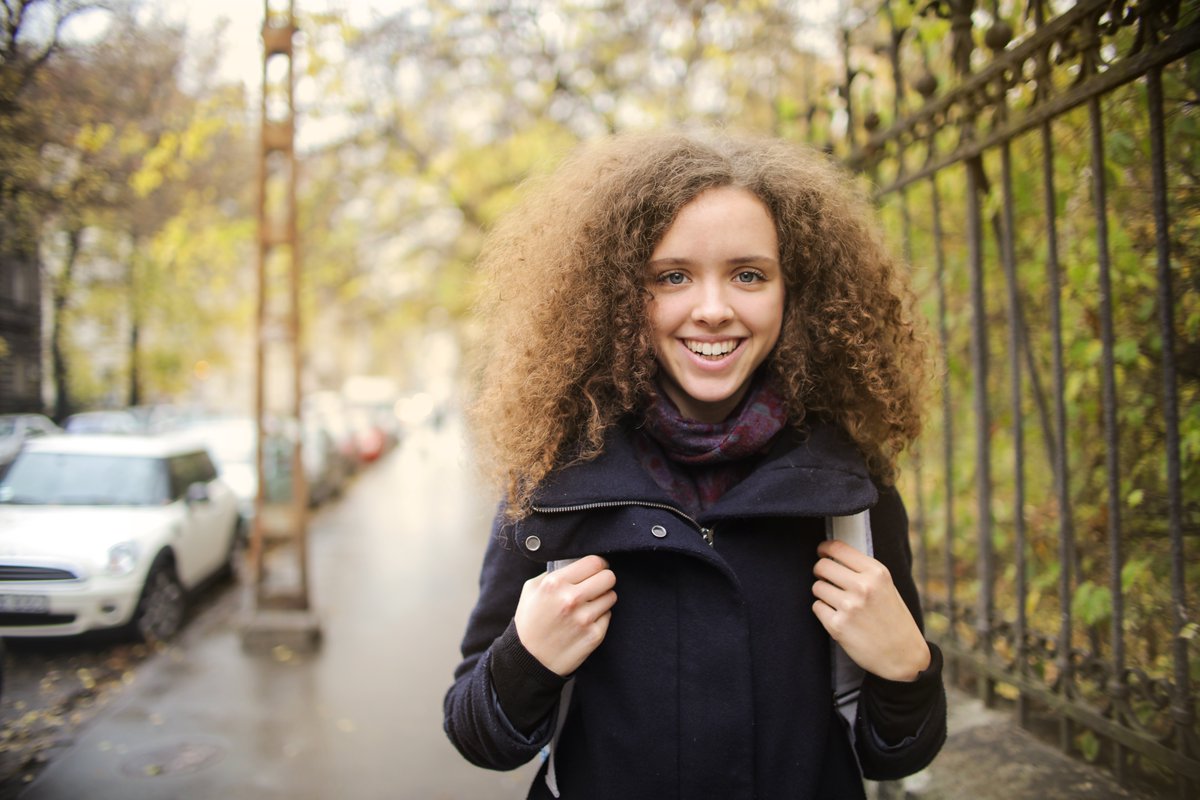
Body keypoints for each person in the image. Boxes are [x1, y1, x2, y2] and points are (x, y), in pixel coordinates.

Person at [443, 129, 946, 799]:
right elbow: (479, 735)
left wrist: (906, 669)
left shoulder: (849, 486)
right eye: (673, 276)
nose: (713, 310)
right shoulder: (553, 482)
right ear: (622, 296)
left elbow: (892, 756)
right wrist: (526, 658)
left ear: (794, 293)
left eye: (749, 275)